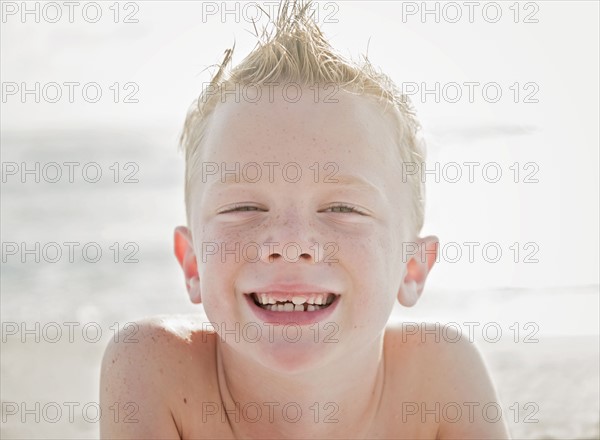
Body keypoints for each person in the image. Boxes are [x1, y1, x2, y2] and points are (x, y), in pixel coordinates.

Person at [100, 1, 510, 438]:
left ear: (411, 266)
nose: (291, 242)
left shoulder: (438, 379)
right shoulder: (157, 367)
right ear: (194, 263)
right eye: (245, 208)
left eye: (342, 209)